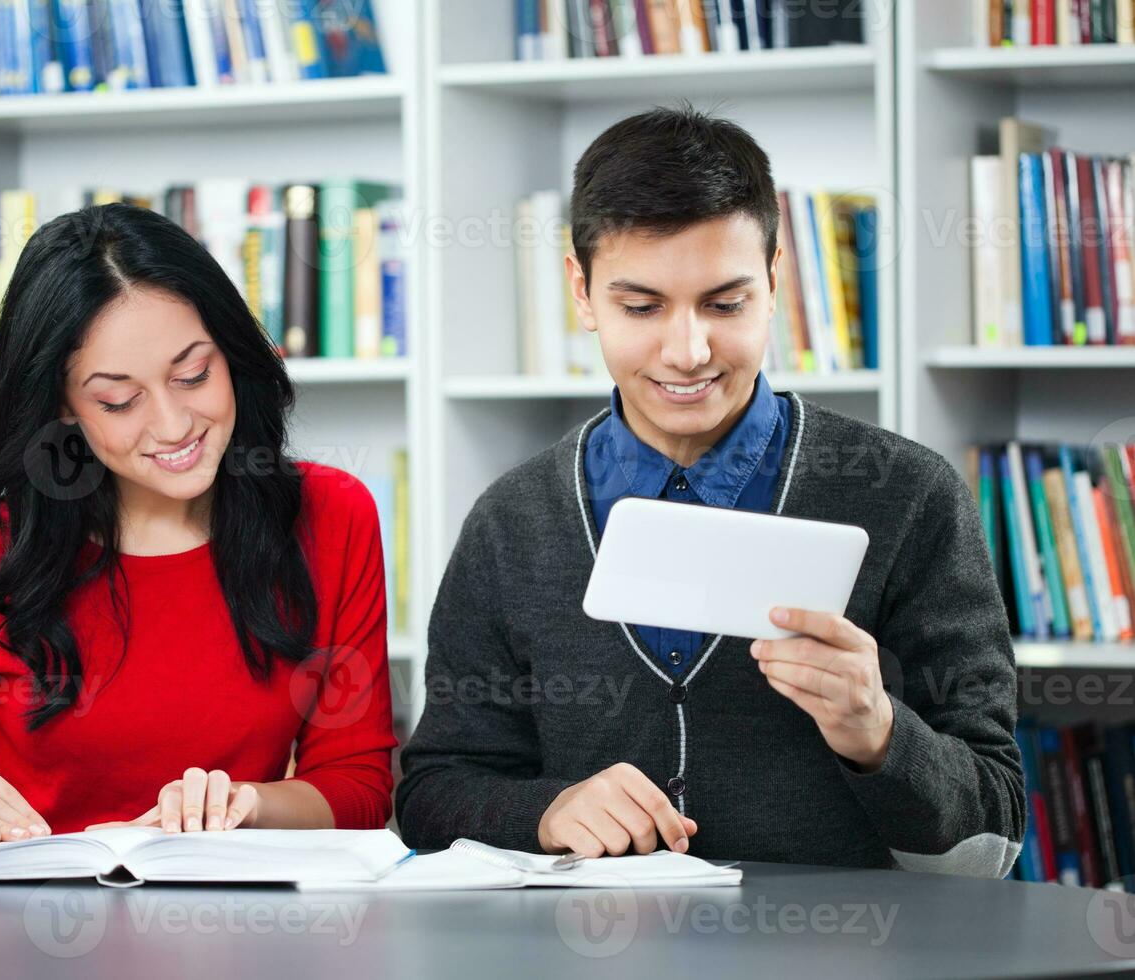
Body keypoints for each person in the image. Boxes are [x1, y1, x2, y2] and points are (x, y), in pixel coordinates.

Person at [396, 106, 1025, 876]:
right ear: (582, 291)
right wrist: (547, 811)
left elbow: (996, 824)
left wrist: (882, 736)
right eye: (642, 307)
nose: (687, 352)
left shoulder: (909, 496)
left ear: (774, 281)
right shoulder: (513, 519)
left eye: (725, 305)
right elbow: (432, 792)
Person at [0, 203, 395, 842]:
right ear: (62, 408)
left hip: (233, 926)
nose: (173, 425)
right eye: (119, 400)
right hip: (25, 925)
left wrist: (247, 803)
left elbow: (360, 788)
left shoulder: (331, 517)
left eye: (194, 374)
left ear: (232, 353)